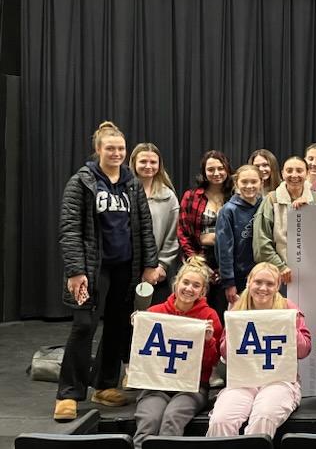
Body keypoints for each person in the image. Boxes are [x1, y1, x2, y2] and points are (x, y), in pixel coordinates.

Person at [53, 122, 159, 422]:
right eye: (110, 148)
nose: (116, 153)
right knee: (84, 326)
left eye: (121, 148)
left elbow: (144, 227)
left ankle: (104, 385)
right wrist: (75, 271)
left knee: (118, 326)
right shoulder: (82, 182)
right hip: (91, 268)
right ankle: (68, 394)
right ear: (98, 149)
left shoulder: (132, 183)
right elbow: (70, 229)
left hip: (125, 266)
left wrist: (149, 264)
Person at [206, 263, 312, 438]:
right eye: (258, 282)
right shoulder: (237, 309)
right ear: (249, 282)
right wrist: (232, 335)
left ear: (278, 286)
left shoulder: (288, 308)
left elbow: (304, 350)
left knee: (264, 416)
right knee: (221, 420)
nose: (263, 288)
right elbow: (226, 355)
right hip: (243, 380)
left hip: (279, 380)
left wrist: (290, 328)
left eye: (270, 284)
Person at [133, 257, 221, 449]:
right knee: (149, 420)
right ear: (176, 284)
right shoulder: (155, 312)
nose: (189, 288)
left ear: (203, 291)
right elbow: (142, 355)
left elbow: (212, 363)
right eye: (186, 282)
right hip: (156, 386)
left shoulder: (209, 317)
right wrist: (139, 327)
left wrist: (208, 341)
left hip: (192, 387)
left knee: (172, 418)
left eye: (196, 285)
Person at [254, 157, 316, 290]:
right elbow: (261, 241)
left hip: (312, 274)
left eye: (299, 170)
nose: (294, 175)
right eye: (289, 170)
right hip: (279, 275)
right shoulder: (271, 200)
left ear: (307, 173)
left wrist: (310, 211)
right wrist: (281, 267)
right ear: (282, 174)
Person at [178, 150, 233, 317]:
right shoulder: (192, 196)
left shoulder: (236, 196)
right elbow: (182, 231)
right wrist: (193, 258)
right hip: (199, 257)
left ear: (227, 170)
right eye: (210, 169)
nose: (216, 173)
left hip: (228, 258)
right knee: (196, 310)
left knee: (223, 311)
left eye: (220, 168)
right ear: (204, 172)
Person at [131, 143, 180, 304]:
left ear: (159, 165)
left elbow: (172, 236)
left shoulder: (168, 196)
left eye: (153, 162)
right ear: (133, 163)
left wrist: (161, 266)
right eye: (143, 161)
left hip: (156, 271)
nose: (148, 166)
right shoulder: (123, 192)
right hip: (126, 268)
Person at [217, 165, 264, 306]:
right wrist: (229, 282)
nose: (249, 186)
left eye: (254, 181)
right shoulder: (228, 211)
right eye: (244, 182)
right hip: (238, 278)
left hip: (262, 275)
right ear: (236, 183)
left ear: (261, 182)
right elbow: (224, 250)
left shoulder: (266, 205)